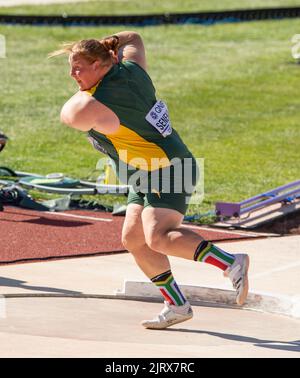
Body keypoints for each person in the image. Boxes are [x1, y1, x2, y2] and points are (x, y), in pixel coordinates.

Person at [51, 31, 250, 329]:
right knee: (133, 238)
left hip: (168, 169)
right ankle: (176, 305)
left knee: (158, 236)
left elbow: (69, 117)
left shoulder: (100, 101)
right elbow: (134, 38)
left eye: (78, 67)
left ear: (98, 65)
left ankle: (231, 262)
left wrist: (90, 82)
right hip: (146, 173)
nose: (72, 74)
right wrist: (110, 45)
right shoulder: (131, 67)